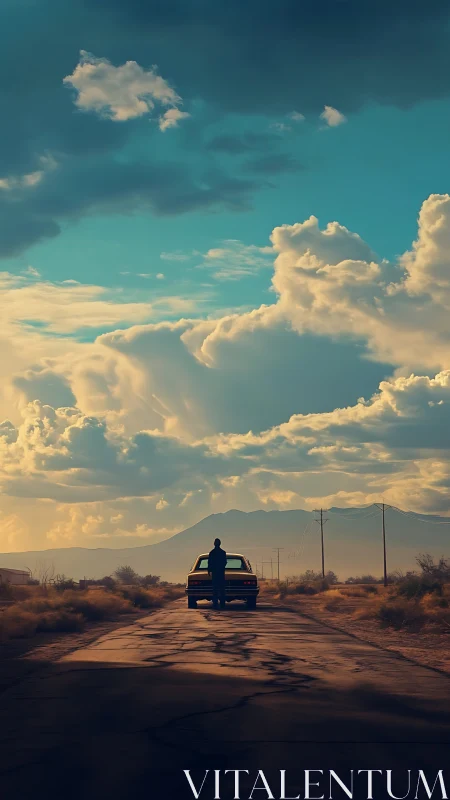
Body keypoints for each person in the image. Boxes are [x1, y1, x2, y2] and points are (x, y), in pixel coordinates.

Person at [208, 538, 227, 609]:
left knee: (215, 589)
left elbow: (209, 563)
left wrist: (209, 570)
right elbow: (224, 562)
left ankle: (215, 603)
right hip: (221, 573)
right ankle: (222, 603)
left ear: (214, 544)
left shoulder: (212, 553)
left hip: (215, 573)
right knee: (222, 589)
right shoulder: (223, 552)